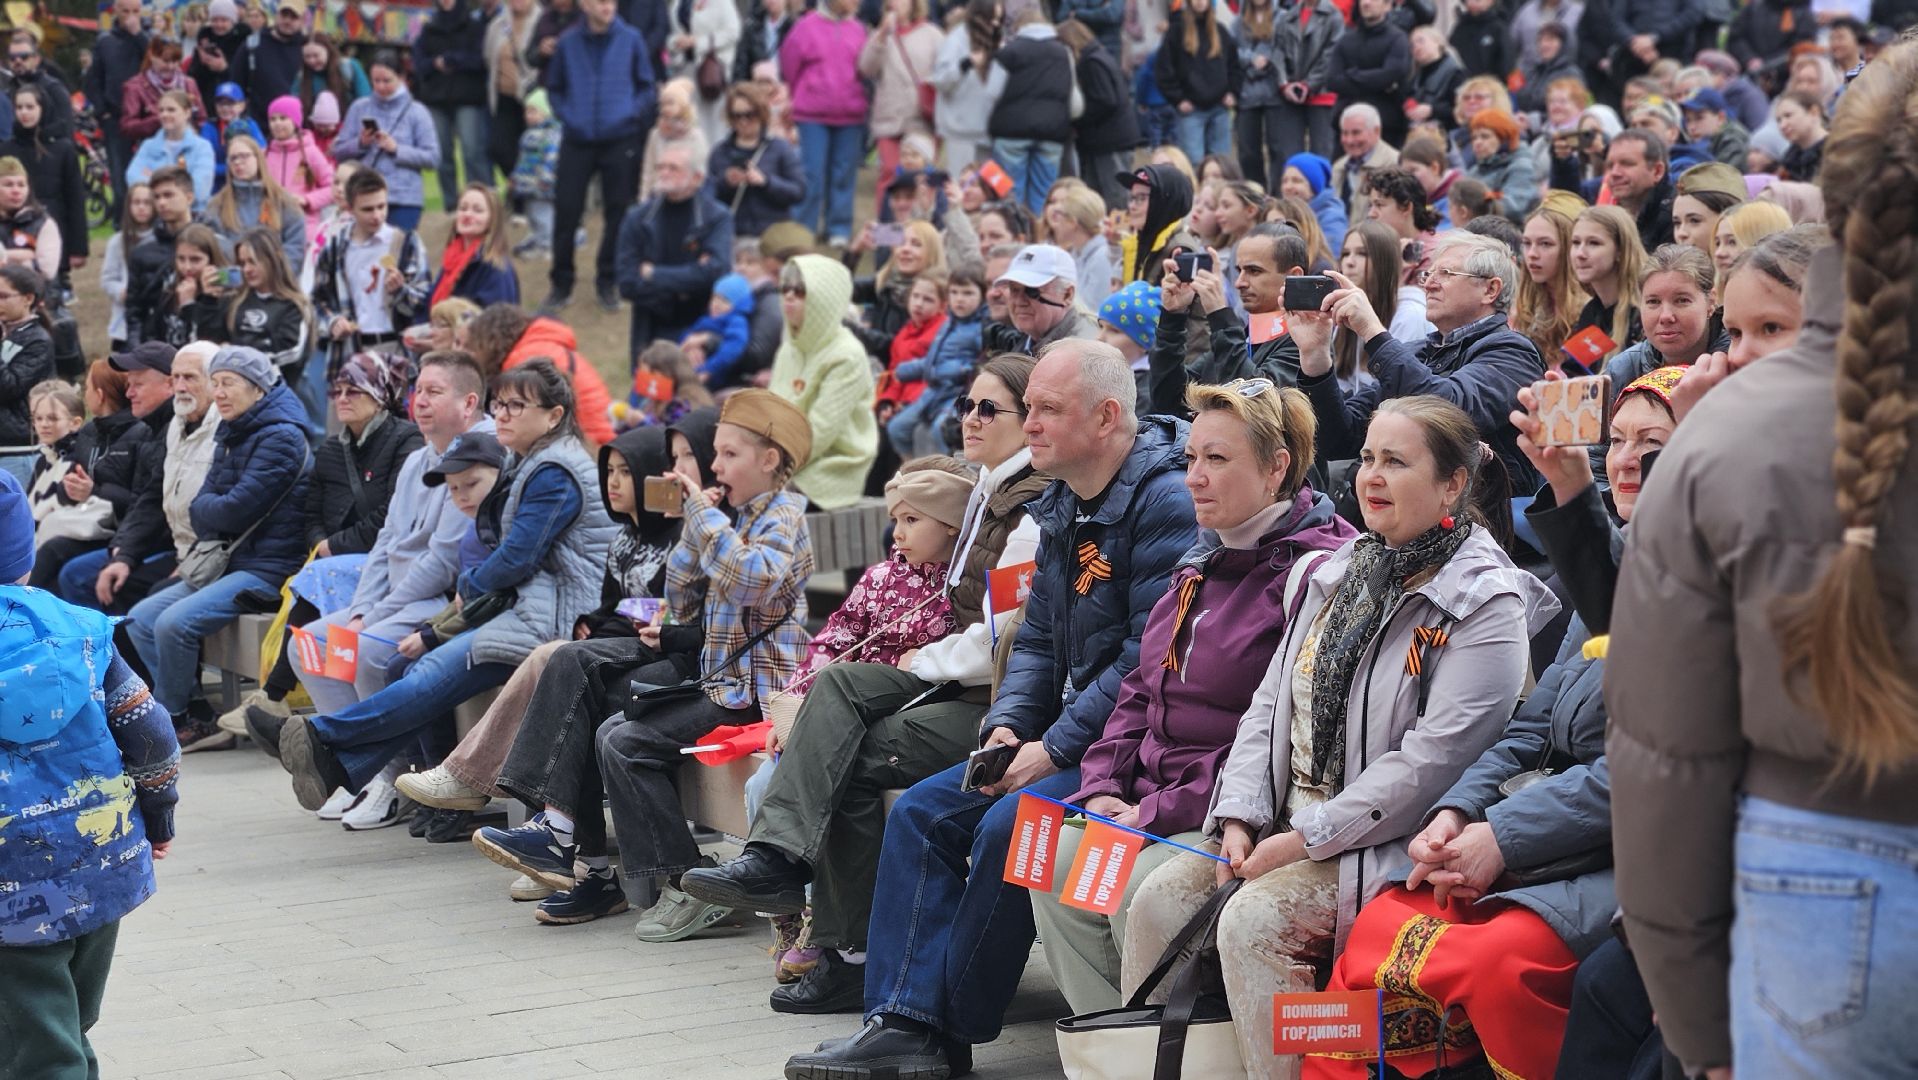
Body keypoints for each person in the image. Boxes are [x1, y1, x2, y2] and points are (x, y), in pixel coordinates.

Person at [1607, 46, 1918, 1078]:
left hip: (1815, 882)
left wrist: (1697, 1029)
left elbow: (1665, 761)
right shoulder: (1725, 431)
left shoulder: (1724, 431)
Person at [787, 340, 1196, 1079]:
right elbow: (1035, 638)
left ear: (1106, 418)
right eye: (1028, 406)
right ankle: (901, 1020)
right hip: (1065, 734)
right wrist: (1009, 723)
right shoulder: (1064, 496)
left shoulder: (1164, 499)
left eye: (1045, 410)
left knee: (1015, 825)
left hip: (1134, 751)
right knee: (921, 813)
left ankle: (953, 1026)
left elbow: (1147, 657)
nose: (1029, 425)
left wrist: (1057, 748)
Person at [1124, 393, 1555, 1080]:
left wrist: (1304, 838)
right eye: (1367, 459)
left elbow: (1433, 763)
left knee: (1254, 922)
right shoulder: (1332, 571)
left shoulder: (1487, 602)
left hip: (1382, 843)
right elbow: (1269, 704)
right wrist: (1238, 814)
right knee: (1157, 899)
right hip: (1286, 821)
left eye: (1396, 462)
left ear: (1452, 484)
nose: (1371, 477)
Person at [1315, 371, 1685, 1079]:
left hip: (1622, 852)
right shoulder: (1611, 574)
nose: (1629, 458)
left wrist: (1501, 836)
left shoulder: (1689, 582)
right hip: (1533, 834)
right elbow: (1527, 730)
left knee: (1493, 961)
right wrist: (1457, 814)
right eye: (1618, 440)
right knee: (1380, 931)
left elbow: (1643, 771)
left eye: (1655, 443)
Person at [1032, 378, 1356, 1013]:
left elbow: (1266, 742)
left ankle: (1163, 1043)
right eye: (1190, 459)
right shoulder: (1200, 562)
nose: (1194, 479)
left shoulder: (1315, 576)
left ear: (1276, 468)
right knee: (1050, 864)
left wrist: (1149, 815)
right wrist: (1101, 785)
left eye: (1217, 460)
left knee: (1134, 888)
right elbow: (1137, 693)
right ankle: (1117, 1039)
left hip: (1226, 812)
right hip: (1148, 796)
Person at [514, 389, 815, 938]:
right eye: (715, 454)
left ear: (769, 460)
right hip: (721, 682)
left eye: (728, 455)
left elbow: (754, 580)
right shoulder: (733, 517)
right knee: (612, 731)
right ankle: (677, 881)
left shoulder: (786, 516)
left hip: (757, 692)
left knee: (626, 741)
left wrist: (702, 515)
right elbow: (681, 597)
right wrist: (692, 523)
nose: (714, 466)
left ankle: (686, 885)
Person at [260, 358, 619, 810]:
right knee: (416, 668)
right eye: (500, 404)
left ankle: (326, 738)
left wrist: (465, 588)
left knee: (428, 670)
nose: (503, 414)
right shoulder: (534, 463)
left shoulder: (555, 472)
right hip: (529, 610)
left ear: (554, 416)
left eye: (517, 406)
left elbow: (514, 559)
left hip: (557, 621)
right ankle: (340, 764)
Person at [393, 412, 715, 852]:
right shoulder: (625, 538)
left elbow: (677, 616)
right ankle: (559, 852)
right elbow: (614, 606)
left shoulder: (689, 533)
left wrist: (618, 626)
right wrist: (599, 623)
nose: (616, 482)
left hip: (673, 659)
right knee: (563, 670)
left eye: (627, 472)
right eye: (610, 472)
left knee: (558, 662)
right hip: (631, 645)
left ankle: (548, 834)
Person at [0, 466, 181, 1080]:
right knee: (68, 1019)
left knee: (35, 1039)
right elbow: (152, 733)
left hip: (9, 888)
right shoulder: (80, 632)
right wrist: (157, 814)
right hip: (100, 855)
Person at [222, 350, 489, 739]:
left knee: (359, 648)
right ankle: (346, 762)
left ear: (468, 403)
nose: (422, 400)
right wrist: (363, 608)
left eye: (435, 391)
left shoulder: (478, 455)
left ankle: (378, 769)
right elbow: (385, 542)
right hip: (393, 595)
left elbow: (441, 561)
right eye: (419, 390)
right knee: (307, 644)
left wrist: (374, 613)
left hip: (441, 600)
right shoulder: (416, 459)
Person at [125, 346, 308, 741]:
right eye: (217, 383)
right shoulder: (233, 429)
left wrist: (210, 509)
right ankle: (192, 709)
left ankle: (170, 719)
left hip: (269, 568)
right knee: (141, 619)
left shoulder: (281, 438)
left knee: (175, 623)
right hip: (229, 561)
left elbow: (228, 510)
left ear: (258, 389)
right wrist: (211, 509)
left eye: (229, 383)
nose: (219, 392)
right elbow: (205, 508)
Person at [1297, 231, 1548, 493]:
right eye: (1428, 275)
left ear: (1490, 289)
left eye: (1447, 274)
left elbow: (1449, 412)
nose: (1429, 285)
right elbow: (1339, 439)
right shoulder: (1418, 352)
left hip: (1479, 522)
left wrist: (1372, 330)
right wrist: (1315, 356)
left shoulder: (1514, 352)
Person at [541, 0, 658, 314]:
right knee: (566, 211)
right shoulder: (567, 43)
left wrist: (628, 115)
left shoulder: (631, 39)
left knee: (617, 212)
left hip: (619, 140)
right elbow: (554, 87)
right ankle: (561, 282)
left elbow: (647, 87)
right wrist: (569, 115)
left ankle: (608, 281)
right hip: (576, 140)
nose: (607, 6)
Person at [1149, 224, 1310, 415]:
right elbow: (1170, 401)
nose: (1239, 282)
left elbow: (1257, 405)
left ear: (1293, 276)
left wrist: (1219, 313)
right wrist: (1173, 318)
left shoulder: (1307, 341)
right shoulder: (1243, 336)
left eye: (1254, 271)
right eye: (1239, 270)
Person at [768, 254, 878, 508]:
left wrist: (768, 467)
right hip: (782, 461)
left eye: (801, 290)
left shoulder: (846, 354)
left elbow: (820, 431)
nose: (789, 296)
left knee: (760, 502)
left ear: (824, 298)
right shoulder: (790, 349)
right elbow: (770, 412)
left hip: (830, 468)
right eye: (785, 288)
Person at [618, 142, 734, 365]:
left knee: (696, 396)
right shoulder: (638, 218)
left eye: (673, 168)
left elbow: (717, 272)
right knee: (648, 396)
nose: (664, 173)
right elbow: (626, 282)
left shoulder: (717, 217)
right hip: (651, 324)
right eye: (660, 167)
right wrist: (686, 283)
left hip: (701, 324)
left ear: (697, 177)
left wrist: (653, 274)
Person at [311, 169, 432, 379]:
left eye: (381, 206)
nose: (377, 216)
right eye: (367, 209)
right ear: (350, 208)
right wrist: (333, 322)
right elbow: (318, 299)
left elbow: (424, 299)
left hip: (395, 348)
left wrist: (401, 290)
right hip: (350, 351)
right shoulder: (336, 246)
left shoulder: (405, 243)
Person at [461, 303, 618, 446]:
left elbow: (525, 424)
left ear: (490, 341)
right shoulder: (540, 345)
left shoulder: (527, 360)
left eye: (473, 347)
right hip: (599, 435)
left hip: (590, 442)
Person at [781, 0, 869, 246]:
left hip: (850, 114)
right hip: (811, 115)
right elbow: (789, 65)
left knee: (843, 172)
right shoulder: (805, 27)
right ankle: (804, 227)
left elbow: (865, 66)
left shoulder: (859, 29)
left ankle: (838, 228)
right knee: (811, 173)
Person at [331, 51, 440, 233]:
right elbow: (339, 151)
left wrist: (397, 149)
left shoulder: (417, 112)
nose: (381, 86)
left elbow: (432, 158)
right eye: (376, 81)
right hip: (364, 196)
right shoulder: (359, 107)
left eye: (387, 81)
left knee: (395, 255)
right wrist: (361, 143)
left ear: (401, 78)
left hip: (403, 199)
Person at [1241, 0, 1342, 183]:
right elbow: (1278, 52)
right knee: (1287, 156)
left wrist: (1308, 85)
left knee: (1322, 154)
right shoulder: (1288, 17)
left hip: (1321, 95)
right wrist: (1284, 83)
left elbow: (1331, 55)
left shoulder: (1333, 16)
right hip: (1290, 97)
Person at [859, 0, 939, 212]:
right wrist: (881, 36)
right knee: (890, 172)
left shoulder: (932, 34)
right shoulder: (881, 34)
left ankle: (919, 229)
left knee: (920, 176)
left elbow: (943, 72)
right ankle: (887, 235)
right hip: (889, 116)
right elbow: (866, 68)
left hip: (921, 118)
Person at [413, 0, 492, 212]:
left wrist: (452, 60)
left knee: (472, 152)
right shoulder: (429, 28)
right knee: (442, 154)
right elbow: (419, 63)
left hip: (468, 98)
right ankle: (451, 204)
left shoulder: (474, 27)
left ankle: (483, 202)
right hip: (436, 100)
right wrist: (435, 64)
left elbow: (482, 61)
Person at [5, 86, 87, 278]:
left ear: (42, 109)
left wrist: (78, 248)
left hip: (54, 224)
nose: (24, 113)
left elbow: (74, 198)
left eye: (30, 107)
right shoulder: (7, 149)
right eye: (19, 107)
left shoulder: (63, 148)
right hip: (13, 230)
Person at [706, 82, 805, 239]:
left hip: (772, 235)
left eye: (749, 115)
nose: (743, 121)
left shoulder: (780, 149)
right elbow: (706, 196)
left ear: (761, 113)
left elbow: (798, 192)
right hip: (732, 234)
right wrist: (726, 181)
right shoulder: (720, 152)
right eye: (736, 115)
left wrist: (765, 182)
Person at [1059, 20, 1137, 212]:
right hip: (1107, 140)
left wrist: (1078, 119)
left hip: (1110, 141)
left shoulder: (1091, 62)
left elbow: (1105, 100)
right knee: (1099, 194)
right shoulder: (1100, 57)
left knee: (1115, 195)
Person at [199, 135, 308, 270]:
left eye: (244, 156)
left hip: (276, 283)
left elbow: (295, 248)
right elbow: (214, 245)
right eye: (233, 158)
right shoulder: (216, 205)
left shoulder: (284, 201)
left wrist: (271, 273)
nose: (238, 162)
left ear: (258, 158)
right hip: (234, 283)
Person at [1154, 0, 1241, 168]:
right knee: (1194, 163)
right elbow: (1163, 69)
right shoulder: (1176, 32)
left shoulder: (1220, 31)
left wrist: (1233, 92)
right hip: (1191, 111)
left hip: (1220, 108)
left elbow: (1234, 66)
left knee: (1221, 164)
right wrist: (1178, 98)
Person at [124, 168, 201, 348]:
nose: (161, 203)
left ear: (189, 197)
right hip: (156, 348)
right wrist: (138, 352)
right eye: (156, 197)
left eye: (168, 195)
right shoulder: (141, 254)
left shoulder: (213, 245)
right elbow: (134, 313)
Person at [87, 0, 149, 219]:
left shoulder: (147, 38)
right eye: (126, 11)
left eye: (135, 11)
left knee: (146, 173)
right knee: (119, 173)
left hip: (145, 119)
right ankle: (122, 223)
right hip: (115, 118)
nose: (131, 16)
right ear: (116, 12)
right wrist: (101, 110)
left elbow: (156, 63)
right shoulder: (105, 42)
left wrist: (139, 35)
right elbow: (93, 79)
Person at [1514, 189, 1590, 363]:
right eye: (1526, 243)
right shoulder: (1525, 307)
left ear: (1570, 247)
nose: (1532, 254)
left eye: (1545, 244)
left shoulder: (1590, 313)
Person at [223, 226, 313, 372]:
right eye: (243, 263)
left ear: (274, 258)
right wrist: (208, 301)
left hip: (280, 388)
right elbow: (216, 341)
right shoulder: (236, 302)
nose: (247, 269)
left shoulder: (294, 305)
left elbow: (292, 353)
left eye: (253, 261)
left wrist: (240, 358)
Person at [1568, 204, 1648, 366]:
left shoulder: (1643, 313)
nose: (1580, 254)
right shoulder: (1591, 312)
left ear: (1620, 250)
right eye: (1576, 243)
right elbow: (1576, 374)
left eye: (1594, 243)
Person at [1327, 0, 1411, 150]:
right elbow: (1333, 80)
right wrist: (1376, 81)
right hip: (1346, 122)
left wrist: (1352, 75)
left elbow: (1392, 74)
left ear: (1387, 6)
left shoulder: (1397, 39)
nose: (1366, 3)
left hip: (1386, 123)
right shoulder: (1346, 40)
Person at [426, 182, 520, 314]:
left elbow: (495, 321)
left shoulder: (496, 267)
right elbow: (427, 306)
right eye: (463, 208)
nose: (467, 215)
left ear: (492, 219)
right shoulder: (452, 259)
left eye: (478, 210)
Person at [929, 0, 999, 176]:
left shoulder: (997, 41)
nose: (996, 23)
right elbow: (940, 80)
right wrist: (964, 65)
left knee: (987, 187)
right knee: (961, 182)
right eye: (992, 18)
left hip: (988, 128)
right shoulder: (956, 40)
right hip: (960, 130)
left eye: (999, 19)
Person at [0, 264, 56, 486]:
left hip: (17, 450)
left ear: (28, 298)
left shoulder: (38, 340)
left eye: (4, 296)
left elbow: (8, 388)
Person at [996, 243, 1100, 358]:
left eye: (1032, 291)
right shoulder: (1025, 340)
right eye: (1014, 290)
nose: (1020, 301)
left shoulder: (1083, 350)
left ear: (1067, 295)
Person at [483, 0, 541, 185]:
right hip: (502, 96)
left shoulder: (541, 21)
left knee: (530, 149)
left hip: (530, 97)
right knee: (499, 148)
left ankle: (524, 198)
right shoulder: (498, 24)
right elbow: (488, 57)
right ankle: (517, 187)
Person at [127, 92, 216, 209]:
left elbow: (199, 192)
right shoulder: (148, 146)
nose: (164, 114)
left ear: (187, 113)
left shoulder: (202, 147)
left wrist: (153, 178)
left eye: (171, 110)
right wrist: (178, 186)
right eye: (161, 110)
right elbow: (133, 178)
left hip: (192, 218)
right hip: (155, 216)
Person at [263, 96, 336, 240]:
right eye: (273, 119)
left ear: (295, 122)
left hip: (304, 226)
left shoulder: (310, 152)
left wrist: (307, 199)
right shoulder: (265, 154)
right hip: (269, 225)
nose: (277, 123)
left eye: (283, 118)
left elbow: (333, 187)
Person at [122, 38, 208, 154]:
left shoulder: (188, 83)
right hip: (152, 152)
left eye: (176, 61)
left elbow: (201, 118)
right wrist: (159, 120)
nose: (171, 67)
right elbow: (127, 127)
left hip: (186, 149)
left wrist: (194, 133)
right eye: (166, 61)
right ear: (151, 56)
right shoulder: (135, 86)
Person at [1119, 163, 1197, 287]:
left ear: (1165, 201)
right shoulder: (1141, 240)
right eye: (1132, 198)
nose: (1132, 206)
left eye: (1141, 198)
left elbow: (1173, 305)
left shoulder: (1180, 250)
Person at [1329, 104, 1399, 223]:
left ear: (1376, 131)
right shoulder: (1338, 167)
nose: (1349, 140)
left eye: (1356, 133)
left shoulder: (1395, 164)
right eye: (1345, 133)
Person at [0, 157, 65, 284]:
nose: (16, 191)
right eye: (8, 184)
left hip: (36, 298)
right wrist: (26, 255)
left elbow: (47, 271)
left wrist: (4, 255)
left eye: (21, 185)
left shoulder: (43, 223)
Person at [1464, 108, 1538, 217]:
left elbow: (1513, 207)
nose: (1477, 142)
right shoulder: (1474, 170)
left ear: (1505, 139)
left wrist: (1473, 208)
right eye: (1474, 138)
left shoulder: (1521, 167)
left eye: (1485, 136)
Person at [290, 32, 371, 120]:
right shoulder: (302, 76)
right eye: (307, 57)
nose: (312, 61)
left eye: (316, 55)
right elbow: (294, 103)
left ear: (328, 51)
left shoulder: (349, 67)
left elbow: (364, 101)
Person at [1679, 87, 1750, 169]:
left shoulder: (1733, 141)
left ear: (1720, 118)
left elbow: (1723, 179)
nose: (1692, 127)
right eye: (1688, 120)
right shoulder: (1709, 141)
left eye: (1699, 118)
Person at [1773, 88, 1828, 182]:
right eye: (1779, 120)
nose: (1782, 125)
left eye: (1788, 115)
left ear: (1813, 112)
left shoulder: (1836, 151)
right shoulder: (1788, 160)